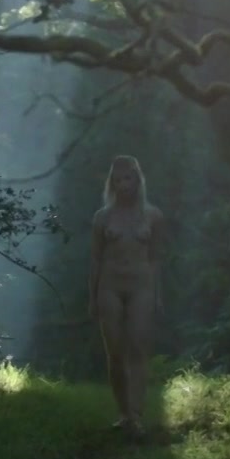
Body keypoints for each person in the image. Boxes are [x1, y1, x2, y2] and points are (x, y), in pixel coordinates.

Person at [89, 155, 166, 437]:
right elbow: (95, 259)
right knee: (115, 353)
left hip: (141, 287)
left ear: (137, 180)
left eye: (128, 179)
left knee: (138, 349)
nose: (123, 185)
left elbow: (156, 259)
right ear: (112, 183)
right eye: (118, 180)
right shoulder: (102, 217)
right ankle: (123, 413)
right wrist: (92, 296)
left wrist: (158, 295)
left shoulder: (153, 216)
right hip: (109, 287)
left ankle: (136, 414)